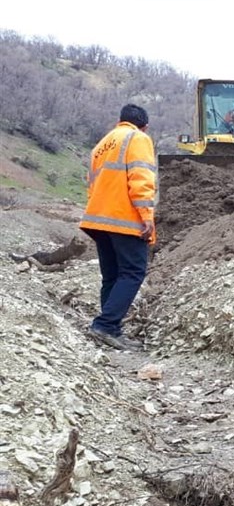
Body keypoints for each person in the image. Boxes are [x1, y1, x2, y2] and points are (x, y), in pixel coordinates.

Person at [80, 104, 157, 351]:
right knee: (133, 272)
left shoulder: (102, 144)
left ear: (120, 120)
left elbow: (91, 186)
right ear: (144, 125)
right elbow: (141, 178)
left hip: (98, 219)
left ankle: (110, 328)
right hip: (124, 218)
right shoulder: (139, 138)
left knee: (112, 275)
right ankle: (105, 325)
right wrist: (146, 214)